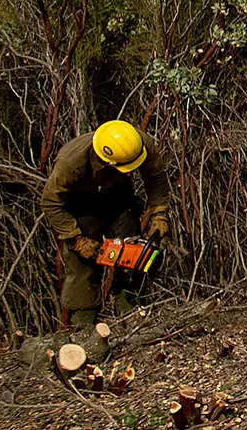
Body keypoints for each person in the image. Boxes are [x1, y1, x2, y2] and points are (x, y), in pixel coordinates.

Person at [39, 120, 170, 357]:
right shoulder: (71, 163)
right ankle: (84, 328)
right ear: (107, 159)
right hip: (80, 205)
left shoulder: (137, 144)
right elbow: (50, 202)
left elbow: (156, 176)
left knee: (131, 251)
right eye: (126, 166)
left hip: (118, 197)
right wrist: (76, 238)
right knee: (82, 266)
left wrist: (159, 213)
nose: (132, 170)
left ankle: (130, 310)